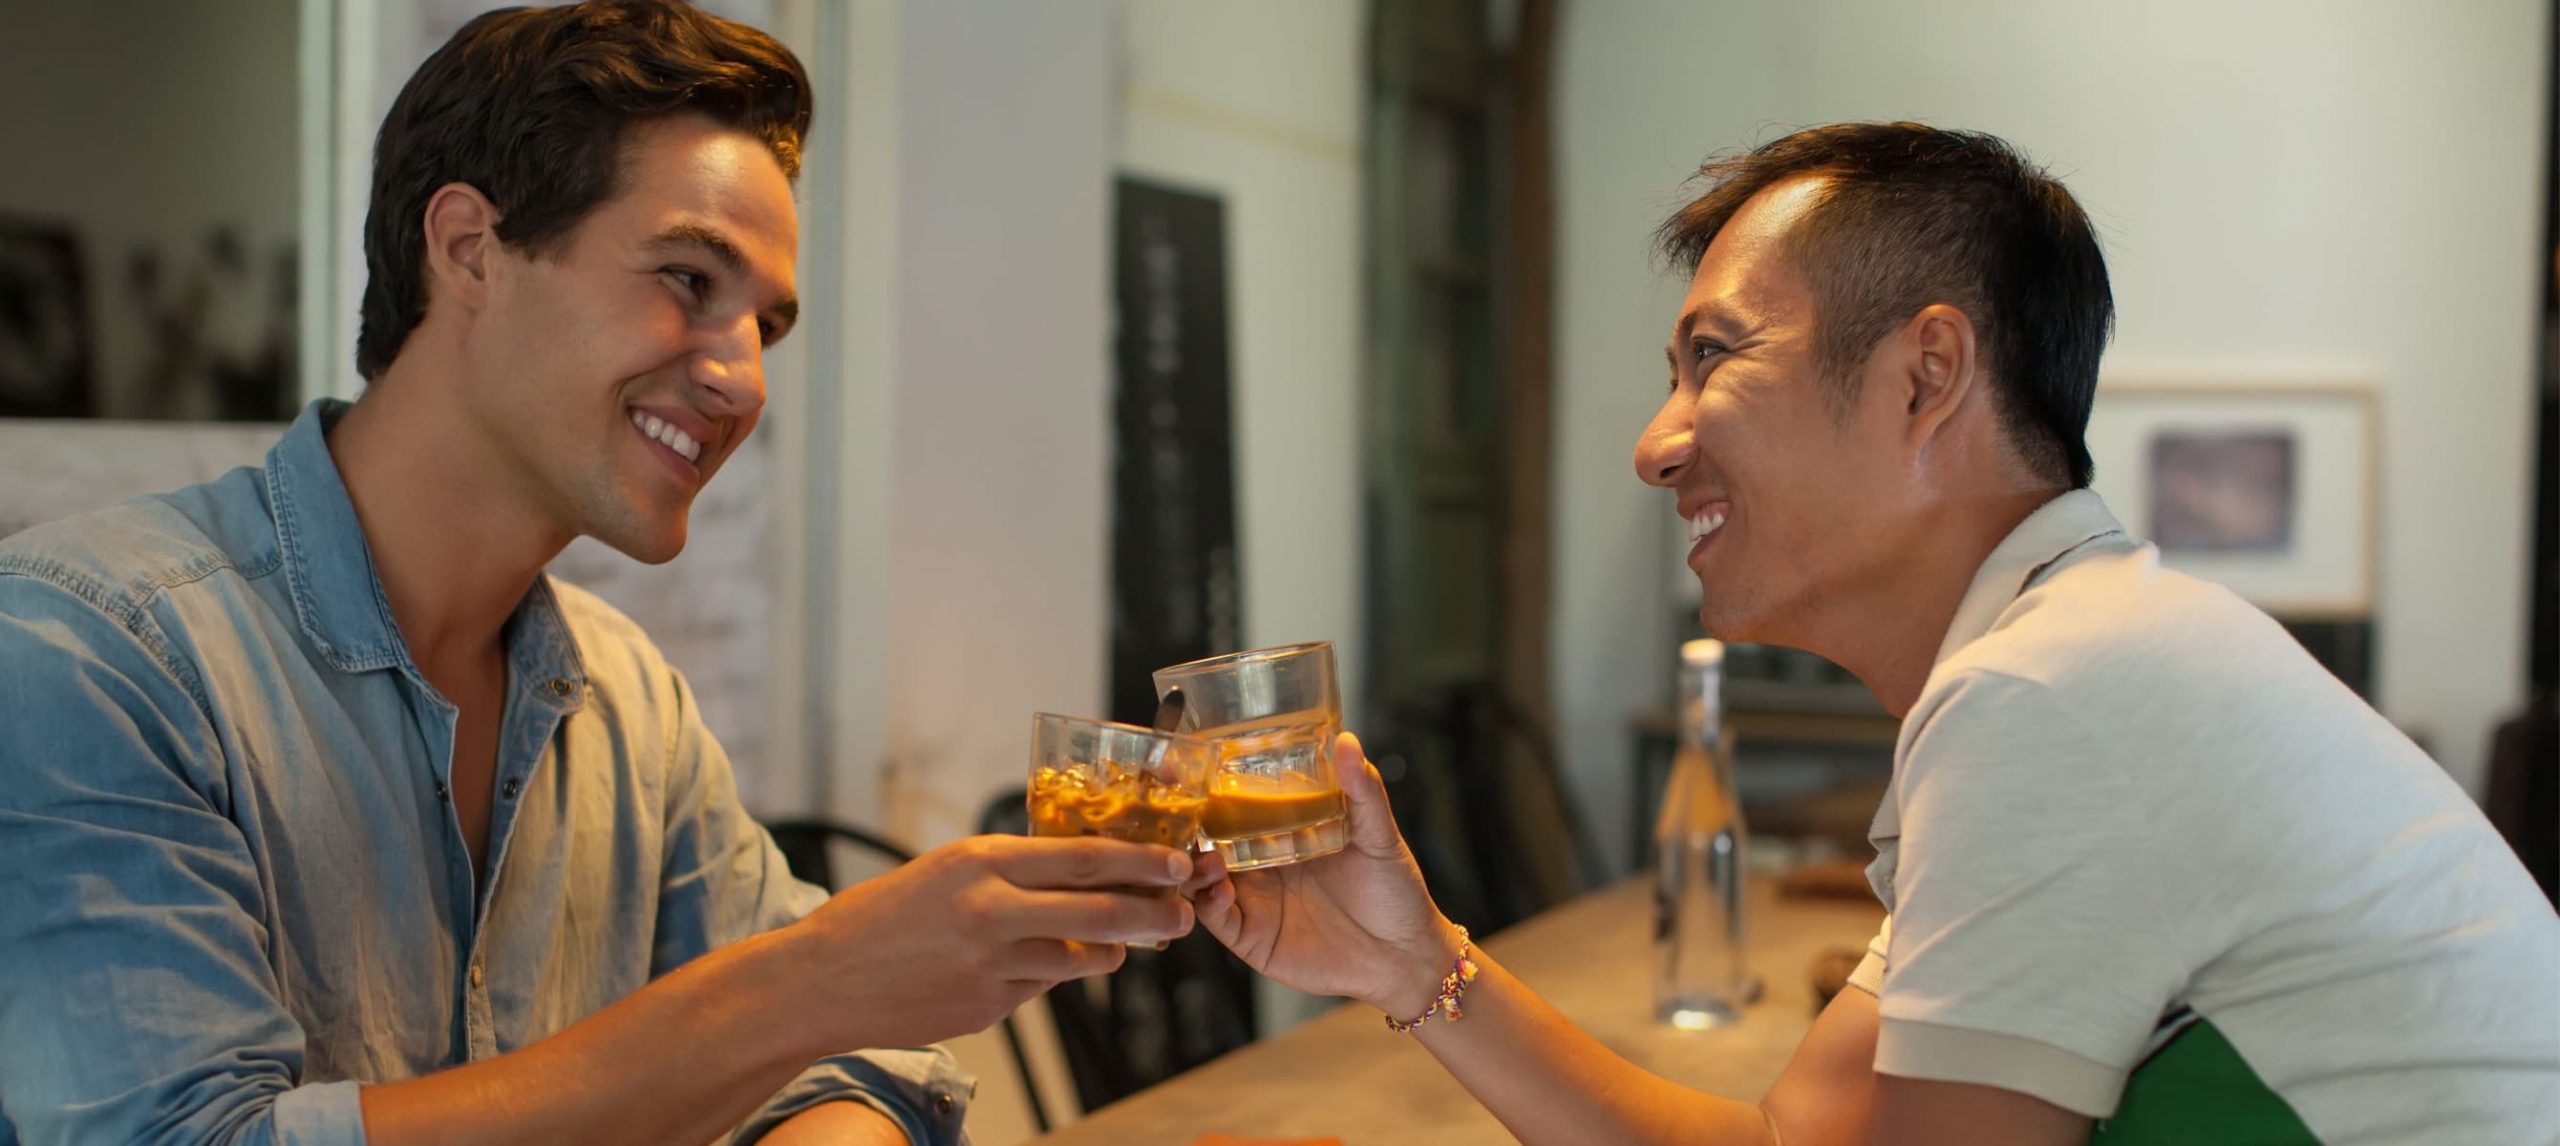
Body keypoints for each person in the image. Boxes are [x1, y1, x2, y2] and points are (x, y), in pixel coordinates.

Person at [1180, 122, 2560, 1144]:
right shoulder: (2071, 656)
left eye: (1713, 359)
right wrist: (1420, 965)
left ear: (1929, 375)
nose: (1657, 446)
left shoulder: (2055, 692)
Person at [0, 4, 1194, 1143]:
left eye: (764, 326)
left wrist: (822, 1070)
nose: (741, 379)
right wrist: (812, 983)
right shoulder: (88, 655)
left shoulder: (628, 704)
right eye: (687, 280)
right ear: (469, 249)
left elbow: (859, 1068)